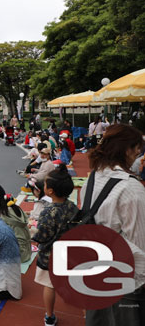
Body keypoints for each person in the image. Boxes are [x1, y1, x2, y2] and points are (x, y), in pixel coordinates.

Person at [81, 124, 145, 326]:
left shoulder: (92, 179)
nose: (139, 154)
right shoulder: (130, 187)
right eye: (137, 149)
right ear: (126, 149)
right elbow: (140, 244)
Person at [30, 164, 78, 326]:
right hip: (70, 253)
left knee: (49, 285)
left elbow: (41, 237)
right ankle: (87, 314)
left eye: (44, 185)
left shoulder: (48, 211)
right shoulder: (72, 206)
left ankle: (49, 316)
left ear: (50, 191)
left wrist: (32, 231)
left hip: (51, 257)